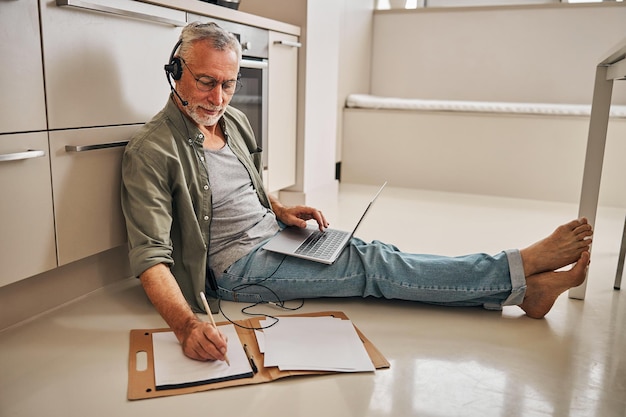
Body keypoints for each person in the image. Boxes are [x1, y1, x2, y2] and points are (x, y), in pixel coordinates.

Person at [121, 22, 593, 363]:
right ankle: (517, 267)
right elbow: (151, 258)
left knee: (377, 252)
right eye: (206, 82)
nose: (218, 98)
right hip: (238, 269)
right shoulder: (151, 150)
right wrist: (186, 326)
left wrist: (280, 210)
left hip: (272, 235)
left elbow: (239, 189)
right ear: (175, 70)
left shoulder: (235, 121)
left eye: (228, 84)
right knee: (377, 266)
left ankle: (520, 293)